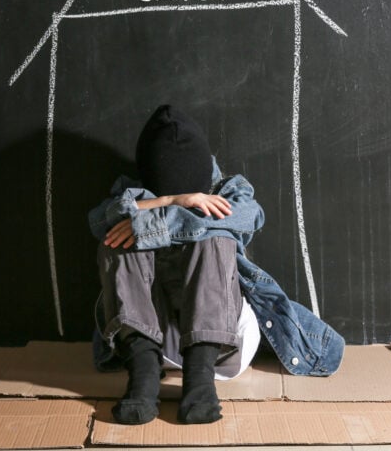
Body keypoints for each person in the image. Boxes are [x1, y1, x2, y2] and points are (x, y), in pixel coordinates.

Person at [88, 105, 344, 426]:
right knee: (118, 238)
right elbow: (100, 221)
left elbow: (246, 218)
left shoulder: (231, 190)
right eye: (167, 191)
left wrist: (152, 220)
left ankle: (199, 382)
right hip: (155, 343)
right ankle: (142, 380)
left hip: (223, 345)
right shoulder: (130, 193)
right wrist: (171, 202)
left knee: (215, 238)